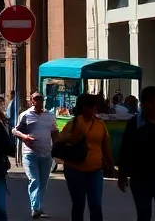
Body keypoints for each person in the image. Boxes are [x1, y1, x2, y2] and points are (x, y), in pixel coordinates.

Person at [116, 86, 155, 221]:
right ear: (142, 104)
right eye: (149, 102)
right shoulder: (135, 123)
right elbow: (126, 149)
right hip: (141, 178)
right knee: (144, 215)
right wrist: (122, 175)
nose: (153, 105)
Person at [58, 92, 113, 221]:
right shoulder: (73, 123)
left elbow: (105, 148)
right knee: (78, 204)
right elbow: (60, 142)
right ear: (83, 108)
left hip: (95, 171)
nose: (94, 109)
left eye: (94, 107)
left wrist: (110, 165)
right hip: (75, 170)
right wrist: (74, 136)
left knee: (95, 204)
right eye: (91, 106)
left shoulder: (100, 124)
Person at [13, 91, 58, 219]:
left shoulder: (50, 115)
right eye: (36, 99)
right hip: (30, 154)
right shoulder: (25, 115)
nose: (38, 101)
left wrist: (57, 148)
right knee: (34, 180)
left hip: (46, 154)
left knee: (43, 182)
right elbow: (15, 130)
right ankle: (35, 208)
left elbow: (54, 132)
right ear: (31, 101)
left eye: (40, 99)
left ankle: (38, 206)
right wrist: (24, 137)